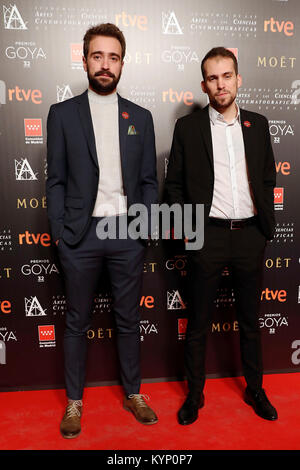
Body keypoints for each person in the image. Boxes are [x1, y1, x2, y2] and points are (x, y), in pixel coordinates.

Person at [46, 23, 158, 439]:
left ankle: (134, 393)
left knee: (128, 320)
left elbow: (149, 181)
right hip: (80, 235)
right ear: (85, 59)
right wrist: (59, 232)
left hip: (127, 235)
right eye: (98, 56)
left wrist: (143, 228)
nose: (105, 64)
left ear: (122, 63)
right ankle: (74, 402)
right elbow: (54, 180)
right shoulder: (62, 114)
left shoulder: (141, 117)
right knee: (76, 321)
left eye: (113, 57)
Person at [164, 47, 278, 425]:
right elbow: (175, 186)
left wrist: (263, 227)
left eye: (227, 76)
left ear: (238, 79)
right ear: (204, 85)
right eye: (213, 78)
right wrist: (190, 234)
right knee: (197, 323)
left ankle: (255, 389)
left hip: (249, 236)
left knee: (250, 320)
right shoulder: (189, 127)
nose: (221, 84)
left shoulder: (258, 124)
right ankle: (194, 396)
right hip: (207, 237)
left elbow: (266, 177)